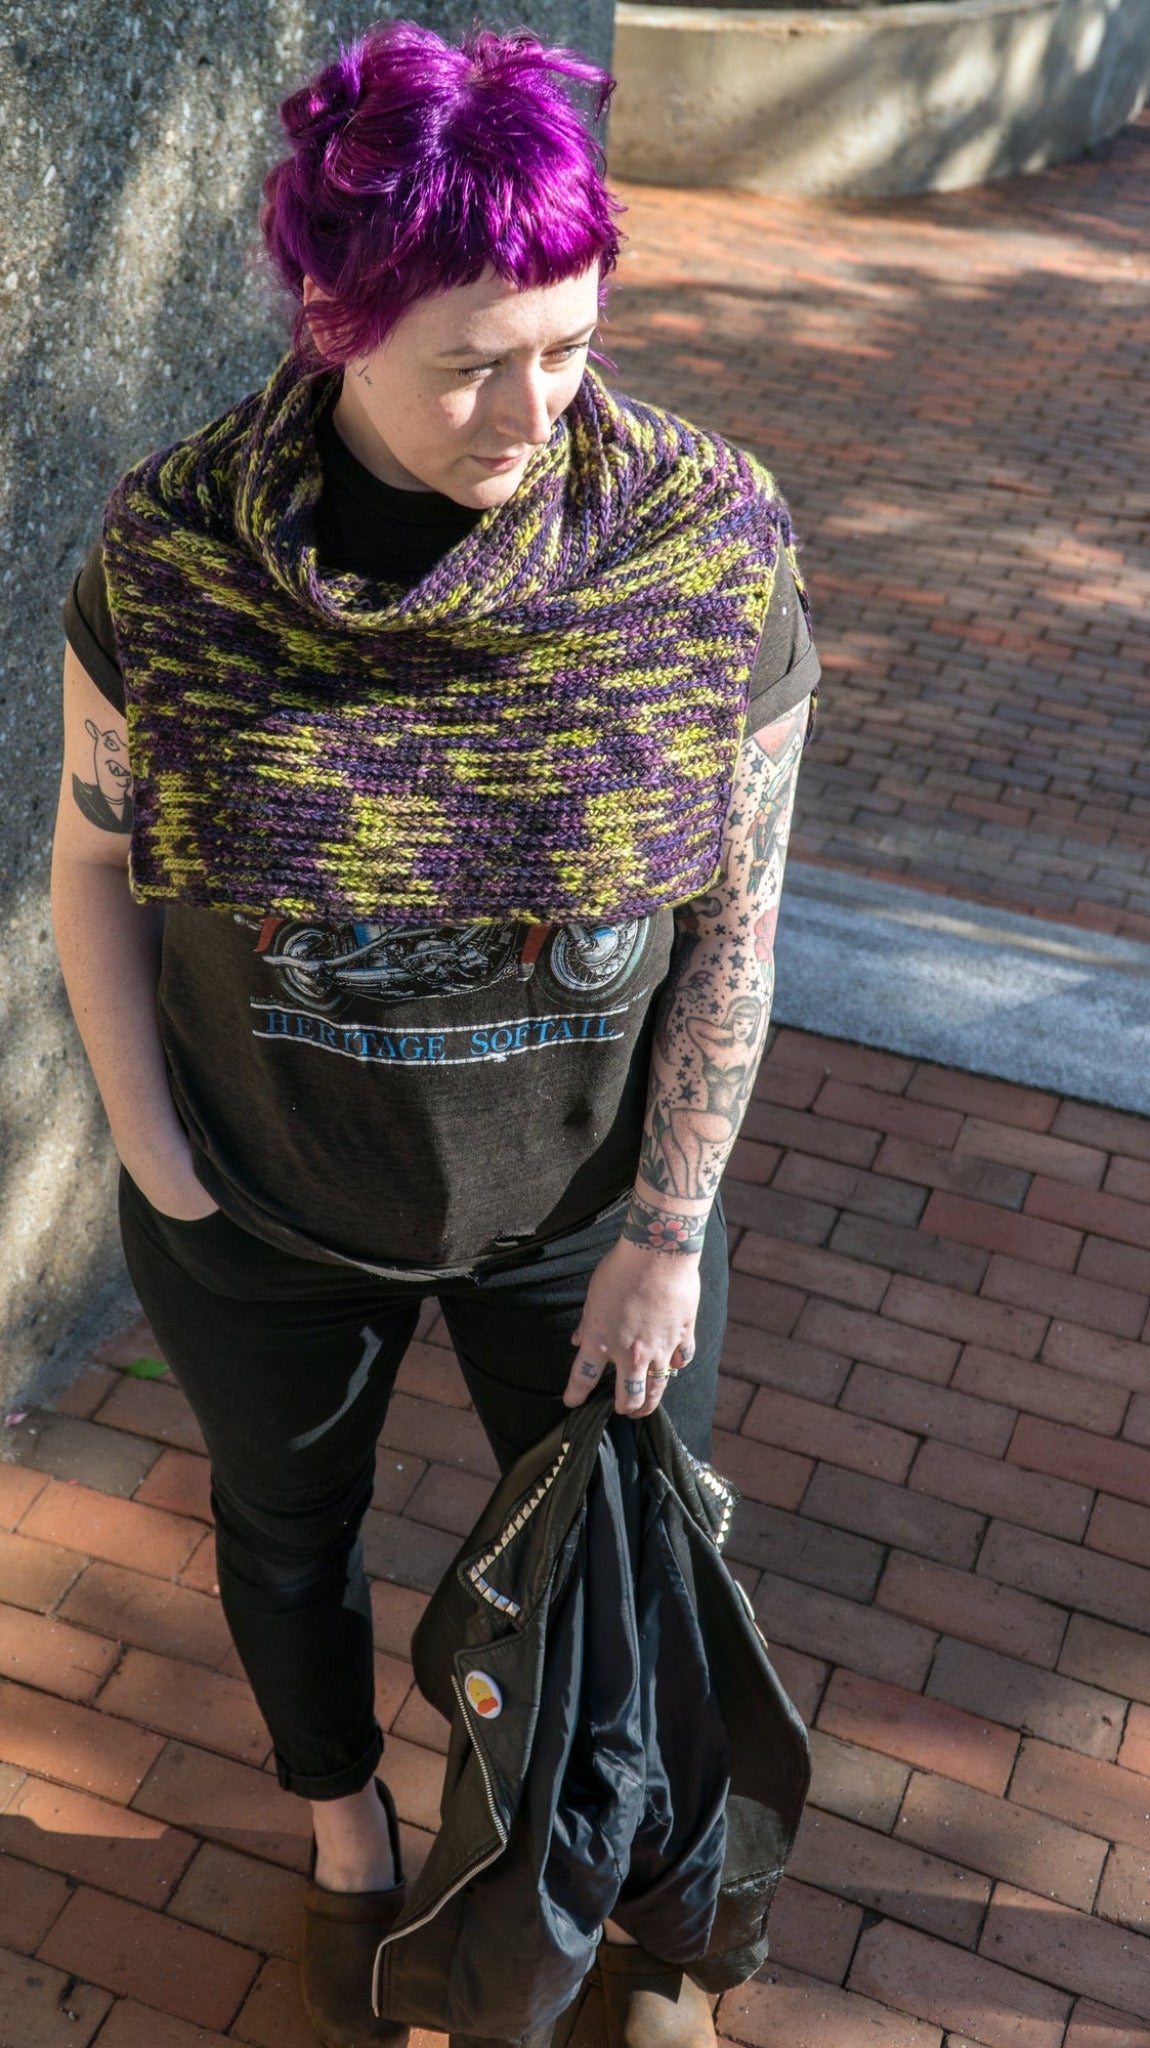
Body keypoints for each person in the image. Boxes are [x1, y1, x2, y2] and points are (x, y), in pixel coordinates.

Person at [50, 22, 818, 2048]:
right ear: (330, 316)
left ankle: (621, 1899)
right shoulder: (176, 553)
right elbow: (92, 862)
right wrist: (150, 1145)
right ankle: (345, 1848)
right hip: (263, 1204)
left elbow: (738, 910)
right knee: (283, 1538)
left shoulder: (696, 544)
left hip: (579, 1208)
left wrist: (664, 1225)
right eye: (470, 356)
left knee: (617, 1566)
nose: (529, 406)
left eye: (564, 343)